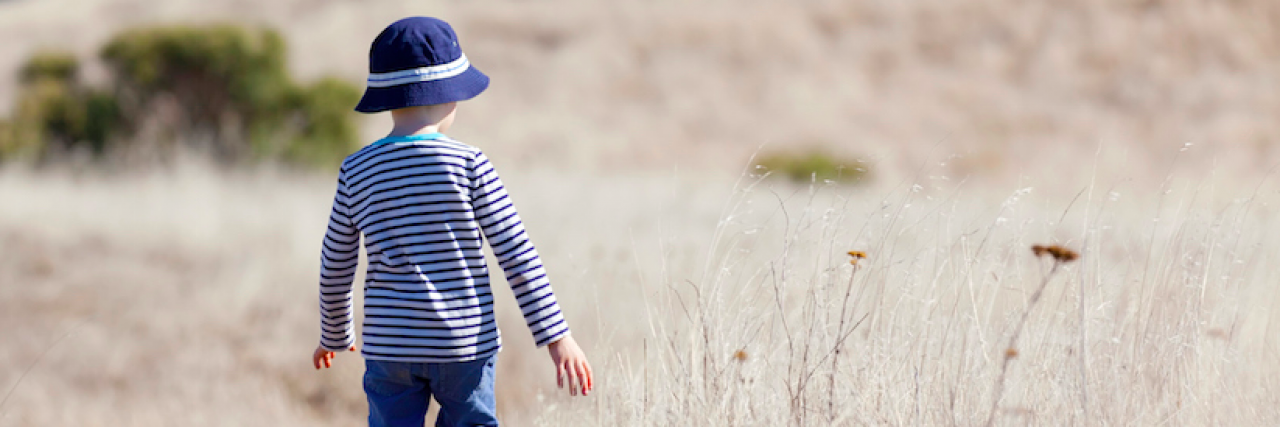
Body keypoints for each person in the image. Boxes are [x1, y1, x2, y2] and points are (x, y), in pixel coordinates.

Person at [309, 16, 593, 427]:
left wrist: (335, 334)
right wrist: (557, 336)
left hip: (391, 346)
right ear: (450, 97)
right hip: (464, 344)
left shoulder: (357, 169)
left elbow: (335, 264)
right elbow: (516, 255)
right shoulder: (470, 164)